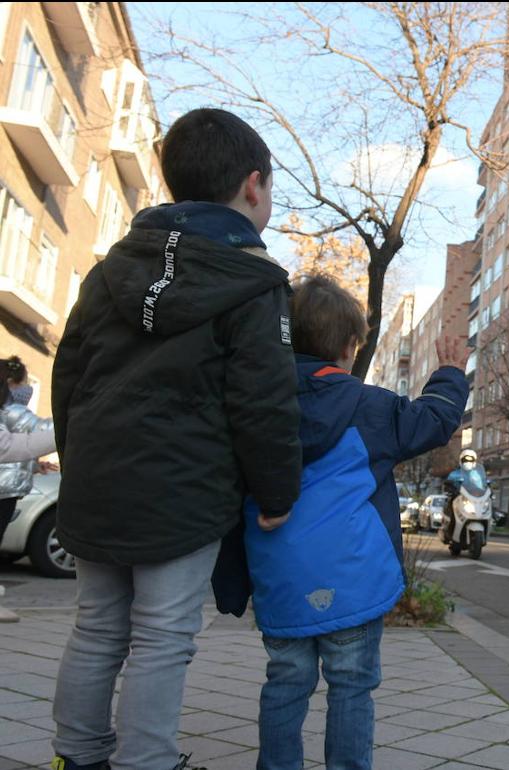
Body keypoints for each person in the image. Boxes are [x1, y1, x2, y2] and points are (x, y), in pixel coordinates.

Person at [50, 108, 303, 770]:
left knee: (97, 625)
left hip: (98, 478)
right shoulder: (255, 283)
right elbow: (263, 401)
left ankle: (75, 757)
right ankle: (147, 761)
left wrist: (76, 461)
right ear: (253, 187)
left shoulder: (109, 273)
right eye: (270, 190)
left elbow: (68, 373)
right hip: (185, 491)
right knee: (163, 635)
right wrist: (277, 490)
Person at [241, 274, 468, 770]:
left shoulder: (255, 401)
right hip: (355, 579)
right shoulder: (368, 407)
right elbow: (433, 419)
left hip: (278, 575)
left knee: (284, 683)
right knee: (351, 687)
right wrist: (450, 371)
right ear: (349, 346)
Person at [0, 356, 57, 624]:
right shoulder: (11, 409)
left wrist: (34, 465)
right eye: (23, 383)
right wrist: (79, 419)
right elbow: (11, 445)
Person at [442, 449, 489, 544]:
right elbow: (448, 483)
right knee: (451, 508)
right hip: (459, 498)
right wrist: (450, 487)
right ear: (461, 461)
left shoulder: (477, 475)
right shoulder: (455, 474)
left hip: (474, 499)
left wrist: (488, 488)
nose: (468, 463)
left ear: (474, 462)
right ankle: (449, 532)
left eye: (470, 461)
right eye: (465, 460)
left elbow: (483, 484)